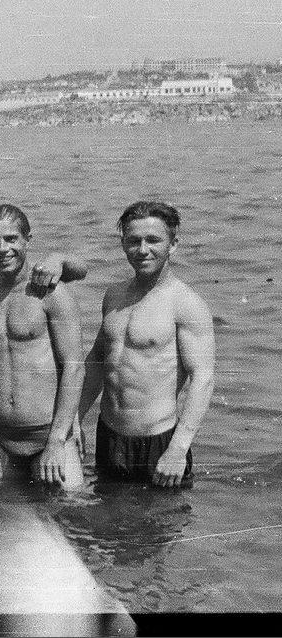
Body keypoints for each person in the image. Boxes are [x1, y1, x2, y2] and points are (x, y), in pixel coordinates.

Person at [79, 201, 215, 488]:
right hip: (109, 435)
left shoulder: (185, 303)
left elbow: (202, 379)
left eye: (153, 240)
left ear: (173, 244)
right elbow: (98, 362)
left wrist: (178, 449)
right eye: (134, 241)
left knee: (163, 516)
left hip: (159, 442)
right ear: (123, 244)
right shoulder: (114, 295)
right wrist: (74, 419)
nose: (142, 250)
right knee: (107, 512)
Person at [0, 205, 85, 488]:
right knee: (2, 509)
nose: (2, 249)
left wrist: (57, 440)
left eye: (11, 239)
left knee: (70, 508)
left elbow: (74, 368)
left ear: (28, 240)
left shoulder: (50, 293)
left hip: (47, 433)